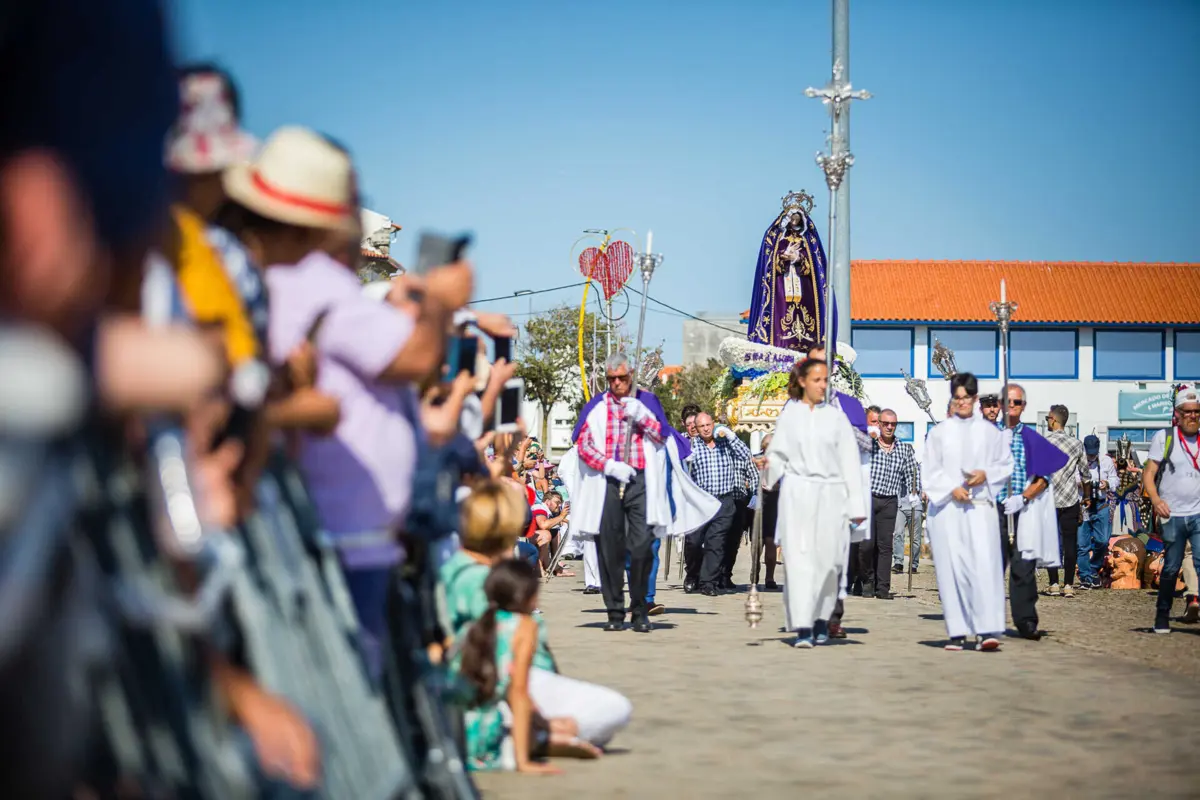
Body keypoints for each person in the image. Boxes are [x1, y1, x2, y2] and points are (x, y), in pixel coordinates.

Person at [442, 482, 632, 747]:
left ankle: (534, 730)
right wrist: (536, 729)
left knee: (599, 719)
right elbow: (512, 675)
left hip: (491, 683)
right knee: (614, 709)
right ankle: (534, 734)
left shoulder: (456, 568)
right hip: (509, 683)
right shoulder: (484, 578)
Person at [562, 353, 718, 632]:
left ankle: (640, 608)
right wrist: (607, 464)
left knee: (641, 547)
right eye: (611, 379)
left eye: (622, 377)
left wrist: (644, 418)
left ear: (631, 375)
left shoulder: (647, 401)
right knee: (609, 549)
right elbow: (582, 443)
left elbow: (663, 435)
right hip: (608, 483)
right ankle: (614, 612)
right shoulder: (598, 405)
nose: (617, 383)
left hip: (641, 482)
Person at [456, 560, 602, 773]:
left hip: (452, 730)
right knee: (593, 718)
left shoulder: (474, 626)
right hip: (481, 737)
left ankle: (541, 737)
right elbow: (518, 693)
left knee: (560, 725)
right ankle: (536, 741)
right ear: (526, 597)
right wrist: (524, 762)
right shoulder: (524, 626)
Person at [763, 358, 866, 648]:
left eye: (825, 380)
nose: (823, 385)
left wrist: (856, 506)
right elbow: (779, 454)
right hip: (798, 493)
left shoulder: (836, 418)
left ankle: (823, 617)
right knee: (798, 560)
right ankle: (803, 626)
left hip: (831, 494)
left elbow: (850, 462)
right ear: (802, 382)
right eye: (817, 380)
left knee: (829, 561)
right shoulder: (790, 415)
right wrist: (768, 470)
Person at [923, 373, 1013, 651]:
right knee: (952, 568)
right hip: (948, 510)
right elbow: (930, 469)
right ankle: (957, 631)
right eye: (957, 398)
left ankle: (985, 630)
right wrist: (951, 488)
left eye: (966, 398)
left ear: (974, 399)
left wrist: (986, 473)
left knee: (983, 567)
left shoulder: (990, 433)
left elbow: (1005, 464)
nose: (961, 402)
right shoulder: (939, 433)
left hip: (979, 509)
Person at [995, 384, 1068, 641]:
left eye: (1017, 402)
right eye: (1007, 401)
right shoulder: (988, 436)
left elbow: (1044, 478)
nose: (1012, 406)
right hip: (994, 509)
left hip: (1022, 510)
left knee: (1023, 566)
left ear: (1023, 406)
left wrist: (1023, 497)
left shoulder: (1032, 438)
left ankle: (1026, 621)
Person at [1143, 386, 1200, 633]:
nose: (1193, 416)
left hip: (1198, 513)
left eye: (1197, 411)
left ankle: (1194, 598)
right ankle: (1162, 615)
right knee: (1170, 567)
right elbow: (1149, 473)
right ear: (1177, 413)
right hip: (1172, 514)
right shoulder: (1164, 438)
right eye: (1187, 411)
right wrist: (1156, 500)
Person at [685, 412, 757, 595]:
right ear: (697, 428)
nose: (706, 429)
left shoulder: (726, 442)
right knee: (694, 542)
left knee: (715, 543)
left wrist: (732, 437)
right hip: (700, 501)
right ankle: (692, 574)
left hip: (724, 501)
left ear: (713, 423)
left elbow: (745, 455)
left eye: (708, 425)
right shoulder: (691, 444)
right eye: (702, 426)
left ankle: (708, 583)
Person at [863, 408, 920, 599]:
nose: (889, 427)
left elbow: (911, 473)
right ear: (879, 424)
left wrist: (914, 491)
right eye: (886, 423)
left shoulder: (903, 449)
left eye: (893, 424)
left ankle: (883, 588)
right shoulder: (869, 445)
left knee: (885, 545)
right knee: (867, 544)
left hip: (889, 501)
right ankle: (868, 580)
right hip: (869, 498)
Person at [1043, 405, 1088, 597]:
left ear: (1053, 419)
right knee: (1070, 543)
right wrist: (1087, 497)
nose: (1047, 421)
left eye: (1047, 418)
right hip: (1070, 500)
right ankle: (1068, 585)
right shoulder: (1077, 444)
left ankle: (1054, 583)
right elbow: (1085, 474)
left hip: (1048, 500)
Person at [1078, 434, 1118, 590]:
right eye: (1089, 453)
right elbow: (1072, 478)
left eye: (1094, 453)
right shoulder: (1078, 460)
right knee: (1082, 545)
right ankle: (1085, 577)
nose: (1091, 456)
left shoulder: (1106, 461)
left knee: (1103, 541)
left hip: (1101, 505)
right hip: (1084, 505)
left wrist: (1107, 483)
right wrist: (1084, 484)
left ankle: (1093, 567)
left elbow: (1116, 479)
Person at [751, 434, 780, 590]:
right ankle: (754, 572)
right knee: (757, 541)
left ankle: (770, 577)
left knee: (771, 541)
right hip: (758, 499)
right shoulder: (755, 459)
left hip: (774, 499)